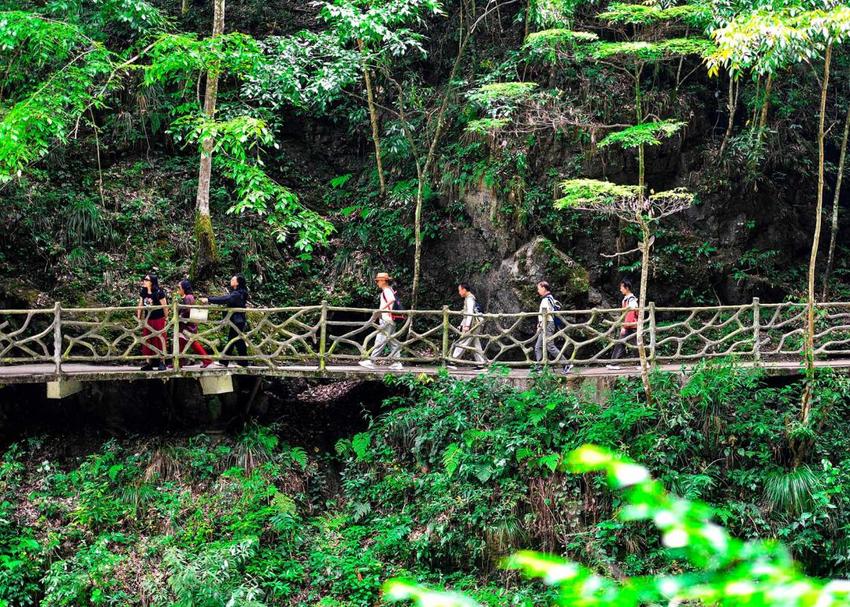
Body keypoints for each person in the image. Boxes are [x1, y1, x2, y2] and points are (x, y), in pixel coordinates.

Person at [200, 275, 250, 367]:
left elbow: (225, 299)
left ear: (237, 282)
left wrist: (209, 299)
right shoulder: (238, 293)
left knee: (237, 341)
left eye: (233, 279)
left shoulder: (237, 294)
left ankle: (243, 362)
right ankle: (226, 361)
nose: (231, 280)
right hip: (237, 321)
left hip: (237, 321)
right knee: (233, 341)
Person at [359, 272, 403, 370]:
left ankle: (372, 361)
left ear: (383, 281)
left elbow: (391, 300)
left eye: (378, 281)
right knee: (392, 341)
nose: (377, 283)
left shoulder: (387, 290)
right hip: (389, 319)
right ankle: (397, 362)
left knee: (380, 340)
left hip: (387, 320)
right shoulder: (389, 289)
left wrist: (381, 310)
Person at [534, 281, 573, 374]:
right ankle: (540, 366)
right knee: (538, 346)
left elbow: (545, 314)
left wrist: (540, 324)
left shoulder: (546, 300)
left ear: (543, 288)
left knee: (549, 346)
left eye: (539, 288)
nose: (538, 291)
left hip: (547, 324)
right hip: (547, 324)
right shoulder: (550, 298)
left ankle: (566, 364)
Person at [447, 282, 486, 369]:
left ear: (464, 290)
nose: (459, 292)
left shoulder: (469, 299)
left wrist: (467, 326)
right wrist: (461, 324)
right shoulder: (469, 298)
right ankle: (481, 364)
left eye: (460, 290)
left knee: (463, 342)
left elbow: (470, 313)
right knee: (475, 343)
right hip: (474, 324)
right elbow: (467, 315)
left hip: (472, 325)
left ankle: (453, 361)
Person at [175, 279, 213, 368]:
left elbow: (187, 310)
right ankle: (179, 362)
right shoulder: (188, 297)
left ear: (184, 288)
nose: (178, 289)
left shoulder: (188, 297)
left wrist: (180, 316)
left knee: (193, 343)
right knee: (181, 342)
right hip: (186, 325)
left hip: (187, 325)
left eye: (179, 287)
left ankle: (207, 360)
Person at [137, 273, 168, 371]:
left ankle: (162, 362)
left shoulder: (159, 292)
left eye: (146, 279)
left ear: (152, 282)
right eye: (144, 279)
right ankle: (148, 362)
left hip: (158, 319)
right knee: (147, 339)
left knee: (160, 339)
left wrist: (166, 319)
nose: (144, 281)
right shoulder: (144, 291)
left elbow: (165, 306)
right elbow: (141, 304)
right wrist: (138, 317)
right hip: (148, 319)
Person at [606, 278, 639, 370]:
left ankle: (643, 362)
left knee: (635, 345)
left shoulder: (631, 299)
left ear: (627, 288)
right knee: (621, 343)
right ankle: (614, 363)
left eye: (622, 287)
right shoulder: (626, 299)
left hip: (631, 326)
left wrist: (625, 326)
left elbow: (630, 313)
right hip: (629, 325)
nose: (620, 289)